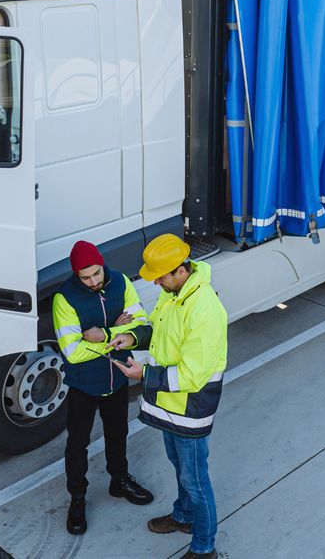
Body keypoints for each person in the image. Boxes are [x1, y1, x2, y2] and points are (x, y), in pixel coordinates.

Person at [111, 234, 227, 559]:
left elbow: (193, 374)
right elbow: (158, 330)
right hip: (168, 405)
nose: (157, 282)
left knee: (196, 480)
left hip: (190, 409)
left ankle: (204, 548)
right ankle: (183, 517)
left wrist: (143, 375)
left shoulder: (203, 309)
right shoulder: (173, 294)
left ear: (179, 270)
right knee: (180, 467)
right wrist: (130, 337)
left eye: (160, 276)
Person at [52, 240, 154, 535]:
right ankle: (78, 498)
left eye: (96, 274)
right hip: (84, 384)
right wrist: (120, 330)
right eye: (86, 278)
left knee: (118, 432)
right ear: (76, 275)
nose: (94, 282)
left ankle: (118, 481)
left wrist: (103, 334)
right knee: (77, 443)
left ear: (102, 265)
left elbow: (143, 324)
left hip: (118, 376)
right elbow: (72, 352)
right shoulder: (65, 299)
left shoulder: (121, 282)